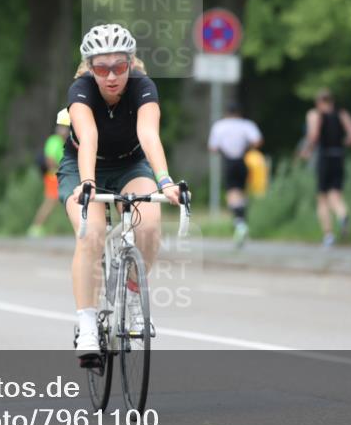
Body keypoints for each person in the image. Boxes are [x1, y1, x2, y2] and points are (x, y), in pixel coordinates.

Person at [58, 24, 182, 357]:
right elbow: (88, 138)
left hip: (130, 164)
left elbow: (149, 134)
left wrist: (165, 180)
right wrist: (87, 183)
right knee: (92, 233)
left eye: (119, 67)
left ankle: (130, 292)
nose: (111, 76)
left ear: (131, 63)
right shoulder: (81, 90)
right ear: (89, 68)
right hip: (84, 165)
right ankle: (86, 324)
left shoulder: (143, 87)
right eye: (101, 68)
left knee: (150, 224)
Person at [298, 89, 351, 247]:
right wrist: (341, 144)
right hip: (339, 156)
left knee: (322, 199)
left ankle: (328, 235)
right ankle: (342, 215)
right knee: (336, 194)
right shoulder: (342, 114)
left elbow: (313, 135)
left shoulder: (315, 115)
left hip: (324, 157)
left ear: (319, 102)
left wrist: (306, 151)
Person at [207, 102, 263, 247]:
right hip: (243, 160)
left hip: (229, 161)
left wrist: (224, 149)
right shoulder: (246, 124)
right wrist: (246, 148)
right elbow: (257, 141)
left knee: (232, 194)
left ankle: (239, 222)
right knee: (242, 192)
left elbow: (212, 147)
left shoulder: (220, 126)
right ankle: (242, 221)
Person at [28, 109, 70, 237]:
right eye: (62, 127)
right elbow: (50, 160)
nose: (64, 130)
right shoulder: (54, 141)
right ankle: (36, 227)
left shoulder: (64, 142)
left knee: (68, 201)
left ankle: (73, 226)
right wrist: (62, 168)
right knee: (50, 202)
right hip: (53, 176)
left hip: (60, 175)